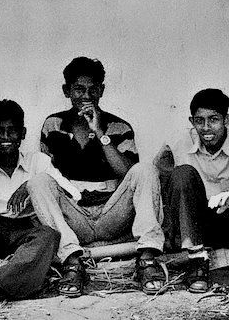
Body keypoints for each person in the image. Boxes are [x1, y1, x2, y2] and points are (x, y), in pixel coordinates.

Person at [30, 56, 164, 296]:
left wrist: (100, 132)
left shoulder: (118, 126)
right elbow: (46, 172)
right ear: (67, 90)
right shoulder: (53, 124)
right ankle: (71, 260)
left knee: (145, 169)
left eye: (93, 89)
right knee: (38, 181)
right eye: (79, 89)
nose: (86, 96)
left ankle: (147, 258)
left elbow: (126, 172)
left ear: (102, 90)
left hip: (112, 213)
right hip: (74, 216)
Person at [0, 100, 69, 318]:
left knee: (49, 235)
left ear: (23, 133)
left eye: (12, 131)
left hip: (25, 230)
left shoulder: (38, 162)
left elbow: (70, 193)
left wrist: (30, 185)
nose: (6, 137)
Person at [154, 88, 229, 292]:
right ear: (191, 121)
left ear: (227, 119)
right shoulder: (177, 142)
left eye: (213, 119)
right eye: (199, 120)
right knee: (183, 173)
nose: (206, 127)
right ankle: (196, 261)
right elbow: (160, 177)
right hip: (197, 227)